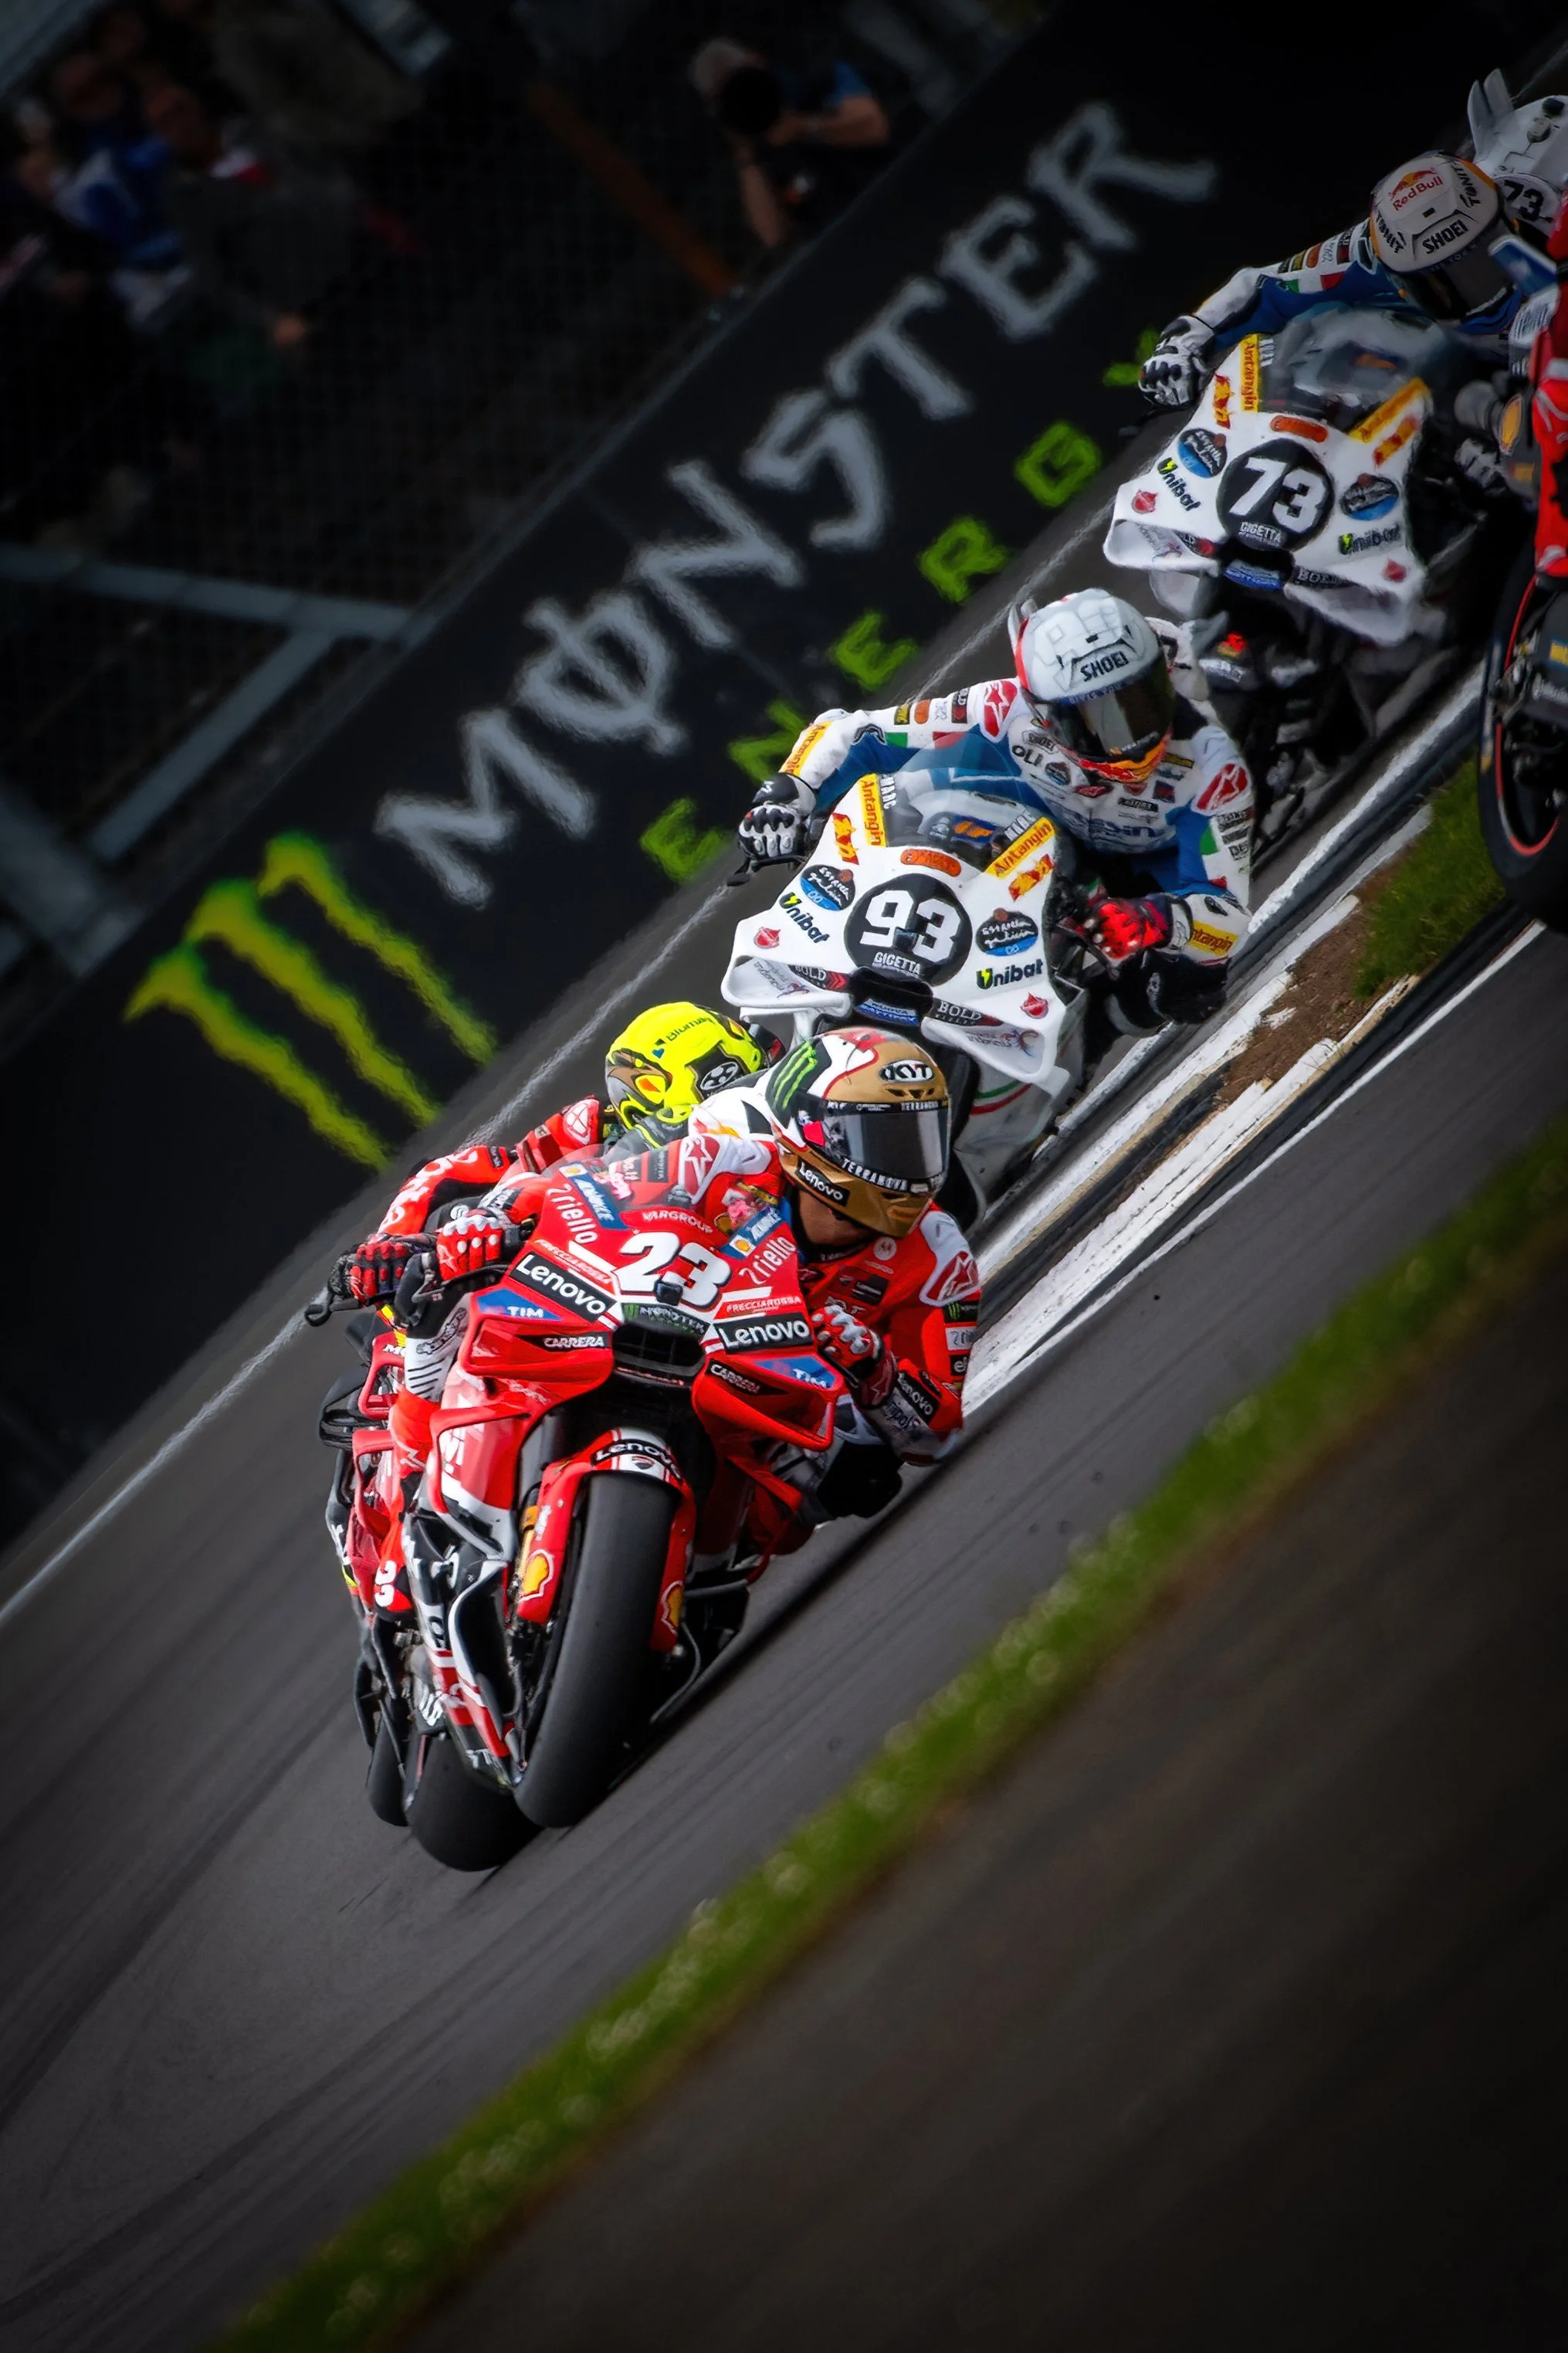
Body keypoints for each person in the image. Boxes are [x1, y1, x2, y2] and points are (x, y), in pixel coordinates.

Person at [325, 1003, 777, 1610]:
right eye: (696, 1121)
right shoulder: (588, 1127)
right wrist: (396, 1245)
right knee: (426, 1333)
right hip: (567, 1278)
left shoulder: (776, 1119)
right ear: (645, 1100)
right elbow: (471, 1173)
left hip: (695, 1294)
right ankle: (403, 1519)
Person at [739, 587, 1253, 1030]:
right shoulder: (1000, 705)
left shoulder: (1214, 770)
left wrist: (1154, 918)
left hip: (1145, 870)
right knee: (918, 781)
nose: (1132, 739)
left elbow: (1226, 916)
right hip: (1034, 825)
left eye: (1143, 699)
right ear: (1045, 713)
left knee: (1187, 985)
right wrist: (789, 791)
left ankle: (1092, 1040)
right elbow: (853, 730)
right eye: (1100, 719)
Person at [1137, 136, 1568, 486]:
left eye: (1484, 265)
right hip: (1487, 382)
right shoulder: (1362, 254)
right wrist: (1182, 344)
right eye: (1441, 283)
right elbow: (1259, 286)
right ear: (1399, 275)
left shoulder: (1553, 209)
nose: (1475, 291)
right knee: (1372, 342)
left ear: (1507, 222)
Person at [144, 82, 357, 348]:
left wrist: (349, 205)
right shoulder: (186, 199)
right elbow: (214, 277)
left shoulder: (255, 132)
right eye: (166, 123)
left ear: (198, 106)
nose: (181, 124)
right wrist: (271, 320)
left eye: (181, 110)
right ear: (159, 137)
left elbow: (325, 168)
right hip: (314, 299)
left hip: (361, 247)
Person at [689, 36, 889, 251]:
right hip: (845, 244)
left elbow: (873, 128)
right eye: (726, 97)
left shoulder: (821, 81)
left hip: (892, 195)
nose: (743, 97)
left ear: (757, 62)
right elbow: (773, 235)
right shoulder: (757, 155)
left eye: (741, 81)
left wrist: (806, 127)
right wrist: (745, 156)